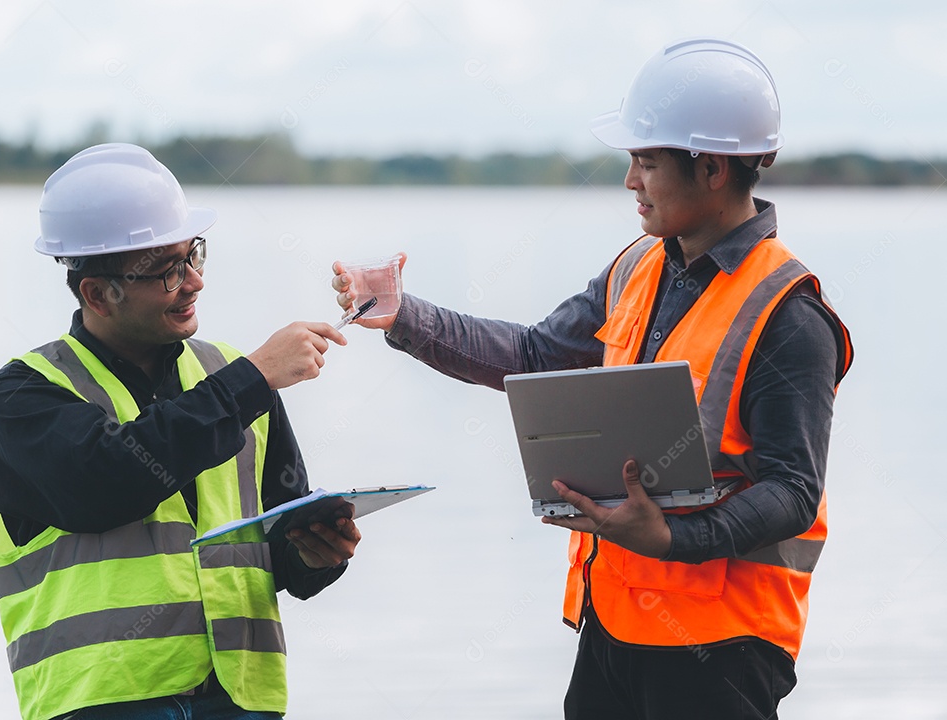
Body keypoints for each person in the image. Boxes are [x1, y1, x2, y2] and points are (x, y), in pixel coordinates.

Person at [332, 38, 853, 719]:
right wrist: (404, 316)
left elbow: (792, 490)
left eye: (647, 162)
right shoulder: (637, 266)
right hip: (612, 628)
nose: (631, 181)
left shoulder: (790, 314)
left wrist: (675, 540)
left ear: (713, 168)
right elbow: (532, 354)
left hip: (723, 649)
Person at [0, 143, 360, 720]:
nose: (194, 282)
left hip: (242, 700)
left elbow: (276, 549)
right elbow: (109, 482)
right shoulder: (23, 394)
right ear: (97, 294)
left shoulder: (231, 376)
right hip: (104, 704)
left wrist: (316, 555)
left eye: (194, 256)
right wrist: (253, 378)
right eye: (167, 271)